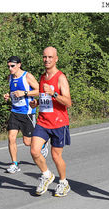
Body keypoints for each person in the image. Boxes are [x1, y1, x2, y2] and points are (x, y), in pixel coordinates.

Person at [29, 47, 72, 197]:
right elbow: (45, 99)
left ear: (56, 59)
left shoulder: (61, 78)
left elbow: (68, 102)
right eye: (44, 57)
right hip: (43, 121)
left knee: (55, 156)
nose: (46, 60)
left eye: (50, 57)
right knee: (34, 150)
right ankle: (47, 175)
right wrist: (37, 103)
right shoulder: (42, 77)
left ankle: (63, 183)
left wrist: (53, 93)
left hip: (59, 123)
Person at [3, 56, 48, 173]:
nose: (10, 68)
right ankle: (14, 164)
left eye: (12, 66)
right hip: (14, 112)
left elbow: (40, 90)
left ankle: (43, 145)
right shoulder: (10, 78)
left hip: (27, 112)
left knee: (27, 142)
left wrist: (25, 93)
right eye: (8, 66)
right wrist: (8, 95)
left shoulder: (27, 76)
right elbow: (13, 91)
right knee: (11, 138)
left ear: (19, 65)